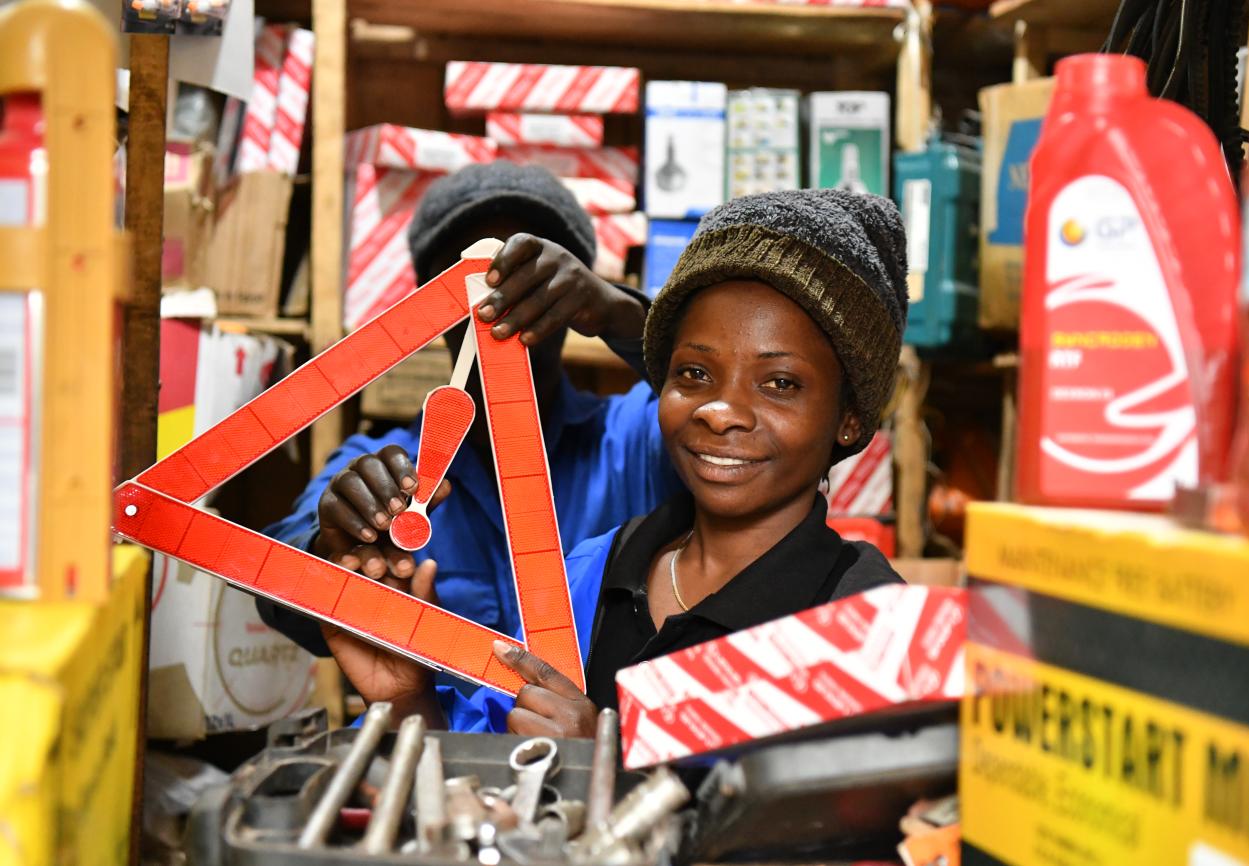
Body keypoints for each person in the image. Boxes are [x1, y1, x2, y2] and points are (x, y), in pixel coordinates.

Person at [329, 188, 911, 736]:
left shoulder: (871, 624)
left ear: (849, 419)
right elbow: (484, 758)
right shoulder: (597, 571)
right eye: (694, 373)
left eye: (780, 382)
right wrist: (407, 700)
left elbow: (860, 830)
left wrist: (603, 767)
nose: (720, 411)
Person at [257, 162, 682, 654]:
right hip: (438, 730)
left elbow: (724, 400)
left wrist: (623, 313)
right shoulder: (386, 468)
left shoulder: (637, 435)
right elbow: (278, 586)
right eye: (469, 280)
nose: (501, 297)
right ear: (431, 309)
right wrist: (328, 549)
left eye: (533, 279)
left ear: (578, 298)